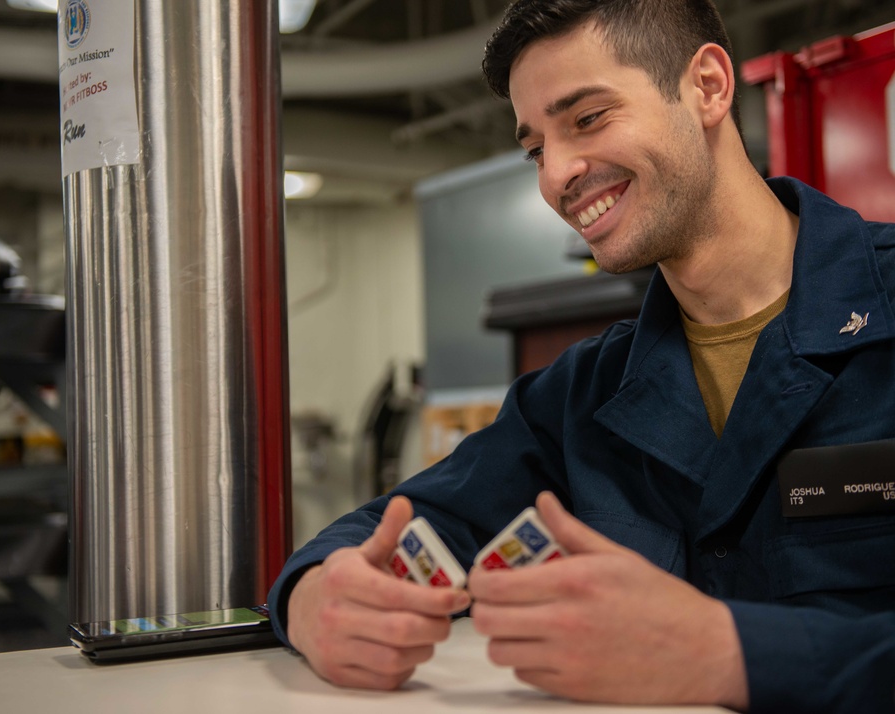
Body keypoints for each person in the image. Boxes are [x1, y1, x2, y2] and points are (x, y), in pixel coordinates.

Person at [267, 1, 895, 712]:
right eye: (536, 148)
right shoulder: (581, 399)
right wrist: (315, 600)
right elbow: (393, 528)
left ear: (710, 87)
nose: (557, 174)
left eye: (588, 118)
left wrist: (729, 653)